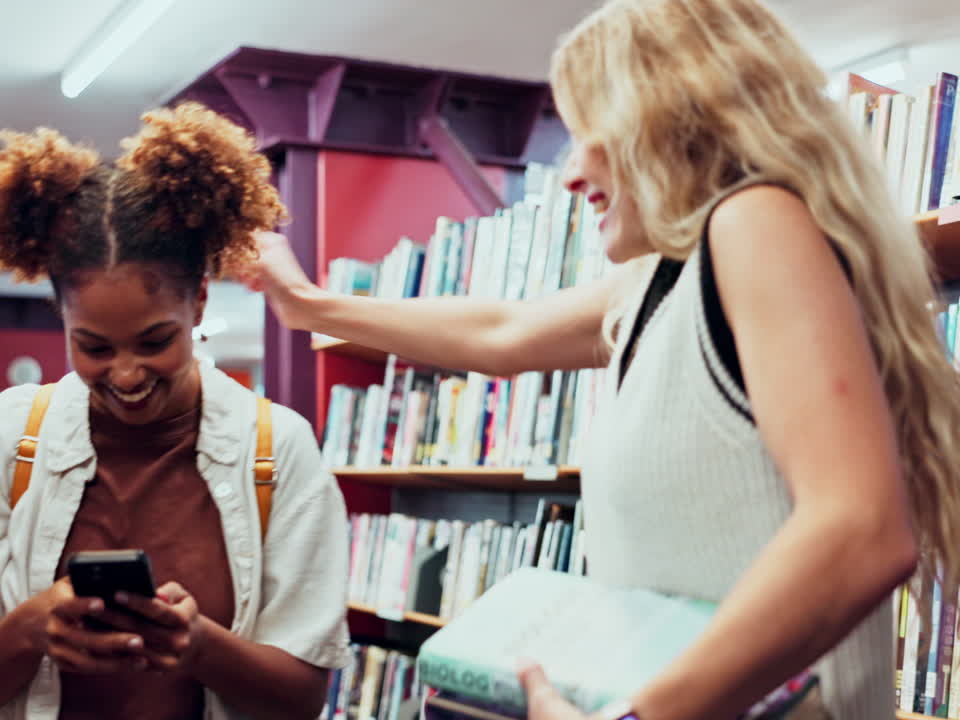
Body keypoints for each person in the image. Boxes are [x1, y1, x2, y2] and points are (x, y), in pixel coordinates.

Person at [242, 0, 960, 718]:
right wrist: (308, 306)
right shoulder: (661, 278)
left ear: (674, 118)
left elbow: (863, 530)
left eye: (591, 134)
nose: (570, 173)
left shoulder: (754, 223)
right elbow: (503, 332)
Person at [0, 103, 351, 720]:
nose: (125, 375)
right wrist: (31, 629)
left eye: (154, 342)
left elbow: (301, 699)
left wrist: (201, 648)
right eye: (93, 347)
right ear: (61, 317)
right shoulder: (1, 442)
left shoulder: (279, 450)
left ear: (198, 302)